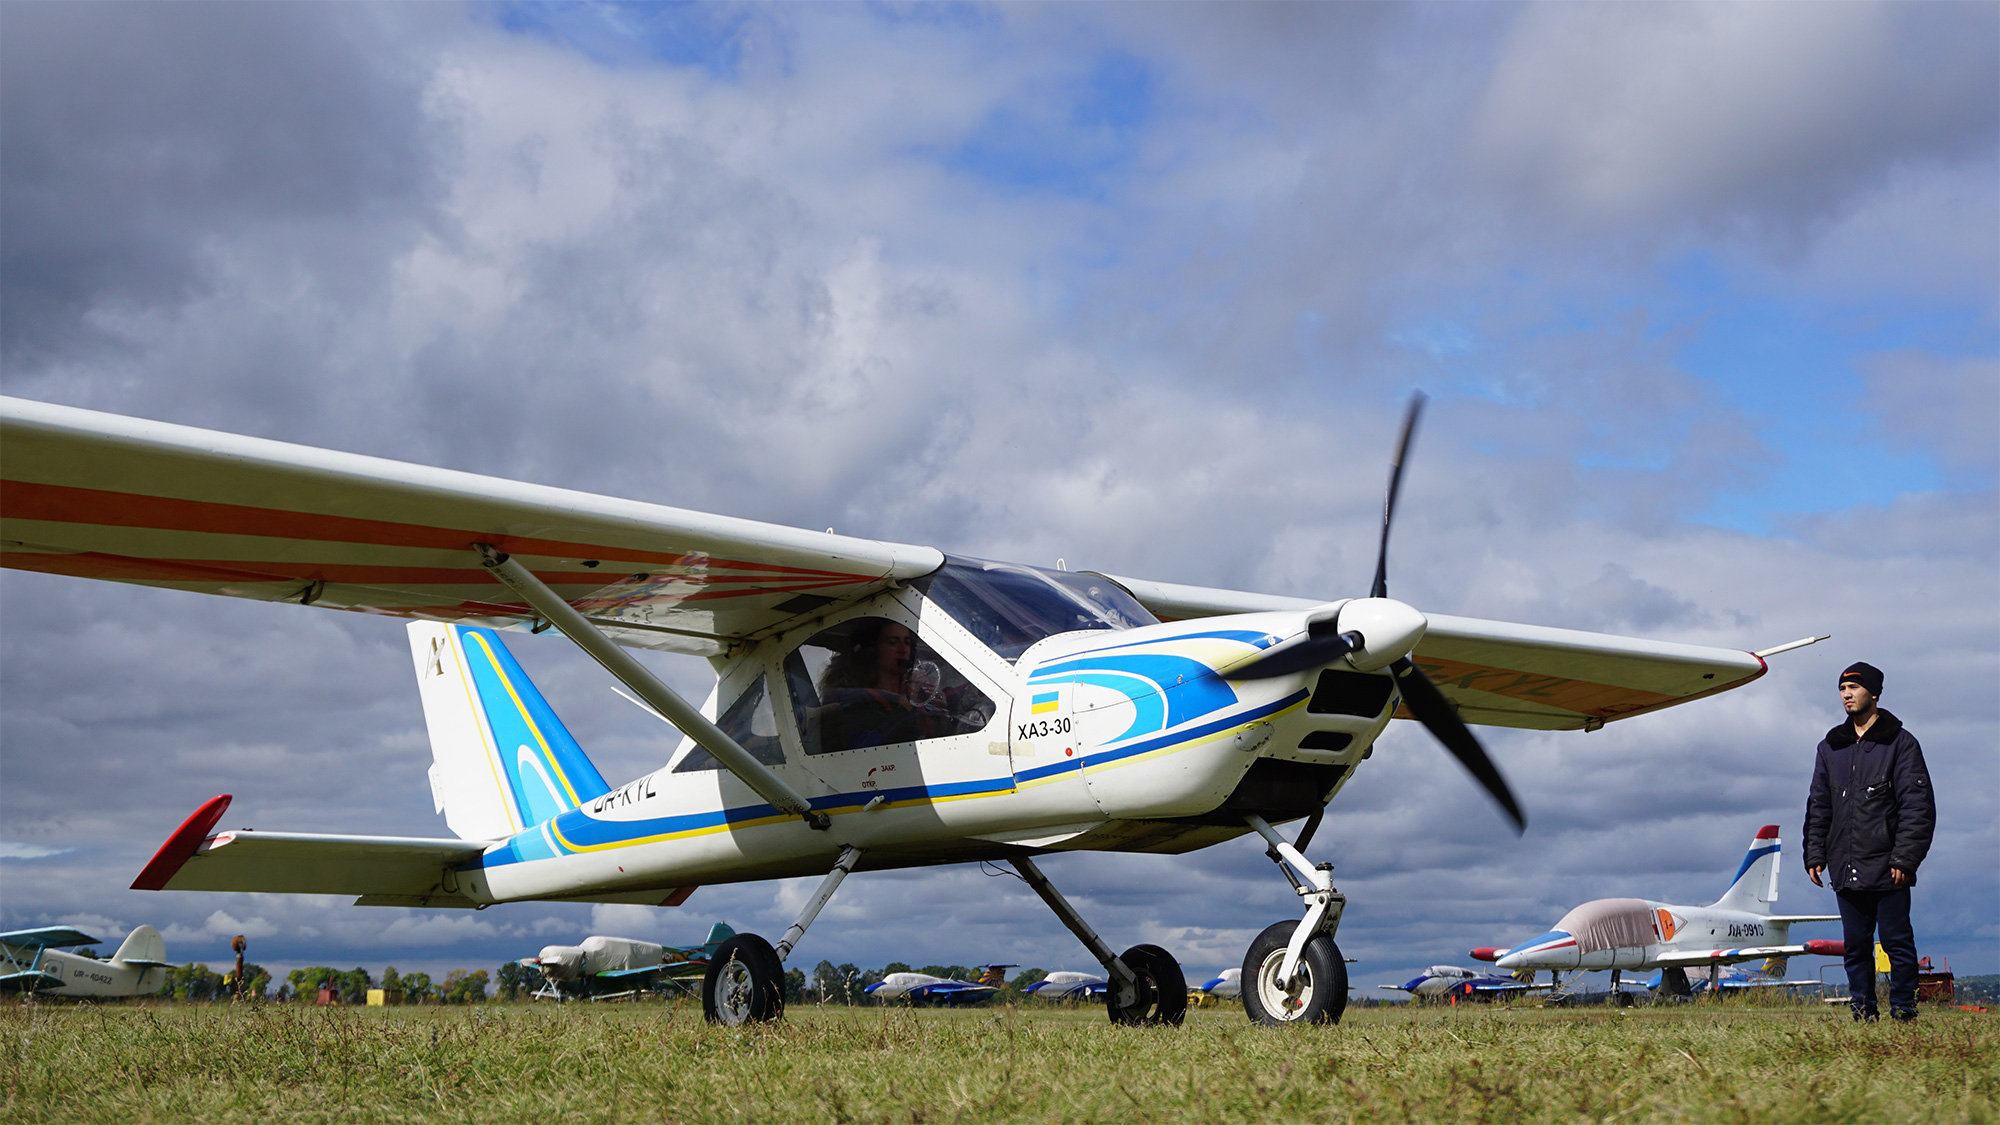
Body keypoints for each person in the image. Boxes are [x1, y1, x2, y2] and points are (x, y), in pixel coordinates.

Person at [1803, 661, 1934, 1023]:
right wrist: (1814, 853)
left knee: (1896, 943)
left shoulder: (1901, 743)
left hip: (1889, 866)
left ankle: (1904, 1013)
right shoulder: (1831, 746)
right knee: (1856, 946)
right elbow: (1818, 805)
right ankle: (1862, 1014)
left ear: (1874, 693)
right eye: (1842, 689)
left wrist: (1905, 859)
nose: (1847, 694)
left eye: (1854, 688)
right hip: (1844, 865)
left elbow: (1918, 807)